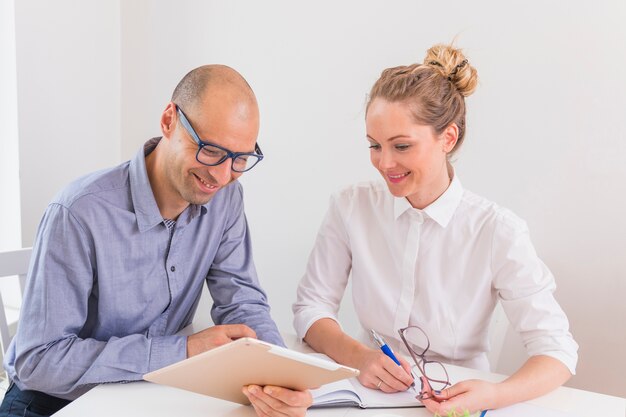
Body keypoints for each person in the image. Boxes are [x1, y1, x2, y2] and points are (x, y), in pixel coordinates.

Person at [1, 65, 311, 417]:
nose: (223, 176)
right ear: (168, 121)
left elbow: (242, 303)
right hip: (52, 403)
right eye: (211, 150)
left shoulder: (227, 199)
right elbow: (39, 362)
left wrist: (281, 378)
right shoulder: (78, 212)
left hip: (149, 396)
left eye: (240, 159)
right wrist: (182, 351)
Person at [292, 44, 578, 416]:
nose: (385, 162)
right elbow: (310, 308)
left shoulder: (496, 231)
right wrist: (361, 357)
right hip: (363, 396)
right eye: (374, 145)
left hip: (457, 401)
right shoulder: (351, 206)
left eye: (402, 146)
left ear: (448, 138)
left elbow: (557, 350)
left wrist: (494, 395)